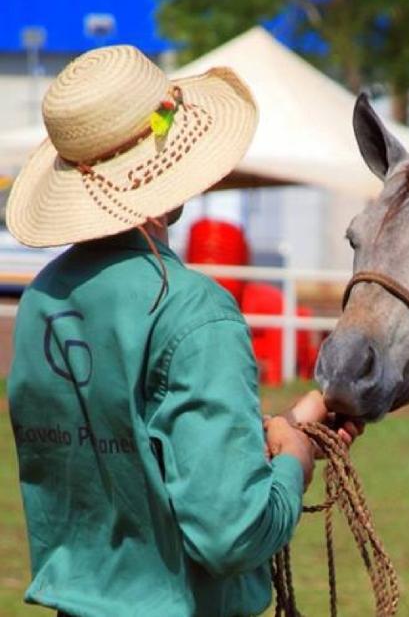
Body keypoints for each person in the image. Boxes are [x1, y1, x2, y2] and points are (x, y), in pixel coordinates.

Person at [6, 45, 361, 617]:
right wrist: (292, 461)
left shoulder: (43, 298)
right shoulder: (194, 310)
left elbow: (130, 446)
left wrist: (286, 425)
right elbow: (231, 535)